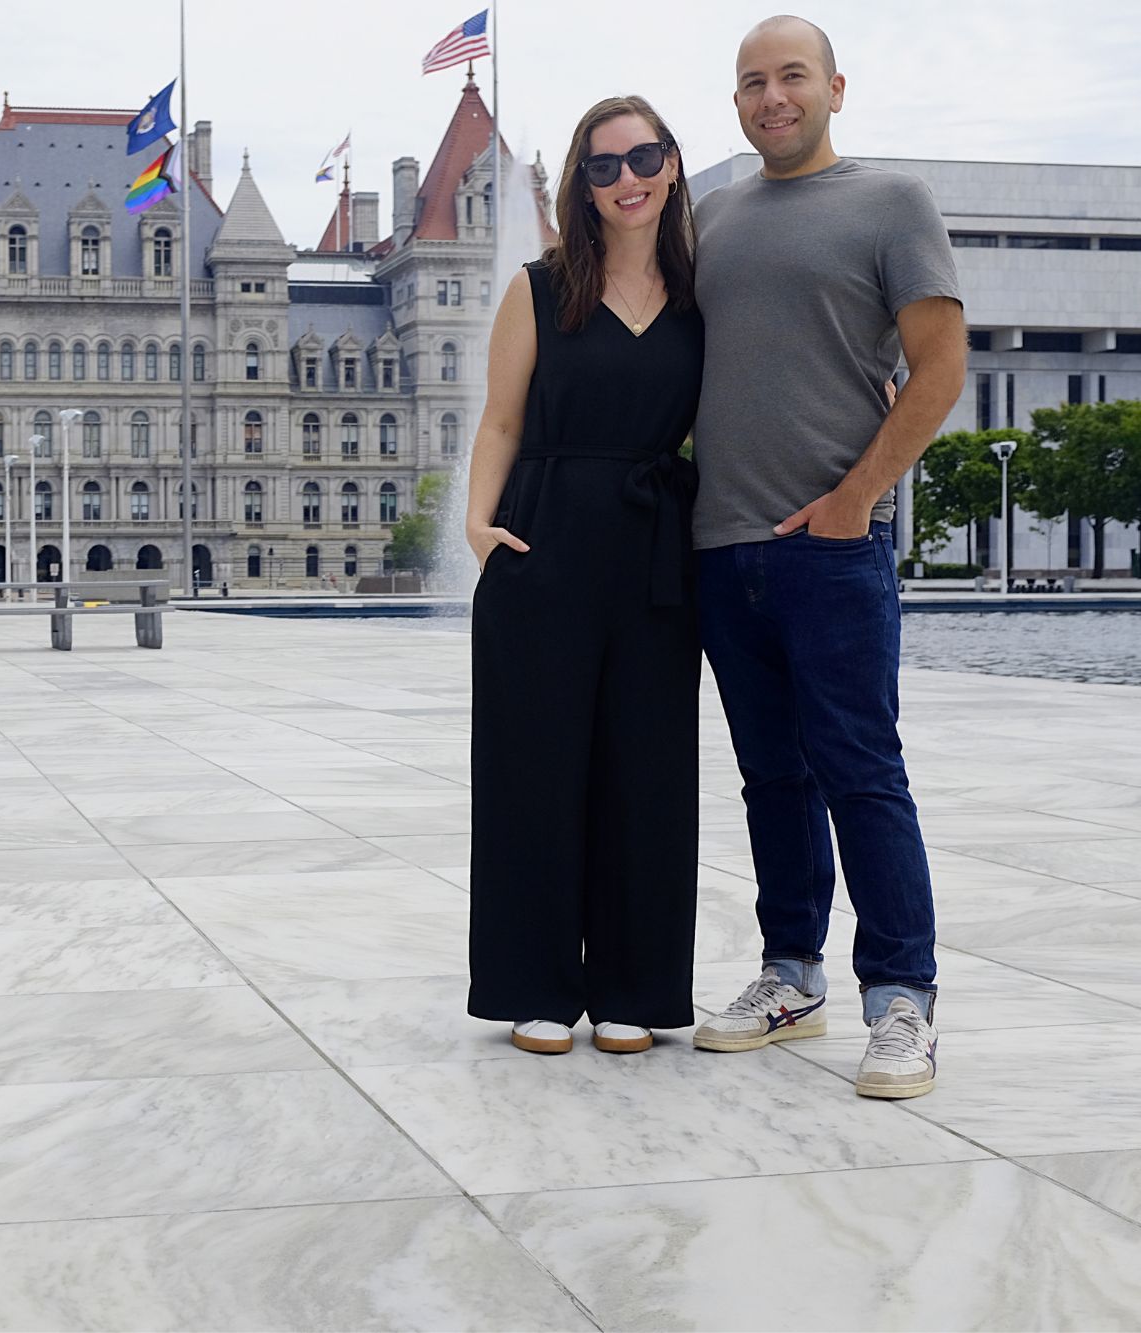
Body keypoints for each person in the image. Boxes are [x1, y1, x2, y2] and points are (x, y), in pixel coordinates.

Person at [688, 15, 967, 1099]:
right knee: (770, 779)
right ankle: (787, 974)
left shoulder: (888, 203)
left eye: (790, 76)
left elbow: (939, 367)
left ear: (833, 89)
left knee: (860, 771)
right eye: (751, 82)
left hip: (831, 550)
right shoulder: (712, 218)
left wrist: (857, 498)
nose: (771, 97)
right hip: (721, 548)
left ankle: (901, 1001)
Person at [466, 96, 704, 1055]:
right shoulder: (539, 286)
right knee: (536, 768)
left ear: (673, 165)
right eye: (603, 167)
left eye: (642, 158)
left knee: (648, 772)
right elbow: (501, 421)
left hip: (656, 553)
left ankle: (633, 987)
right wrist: (480, 527)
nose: (626, 179)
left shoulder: (702, 293)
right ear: (582, 183)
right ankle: (535, 984)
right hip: (547, 541)